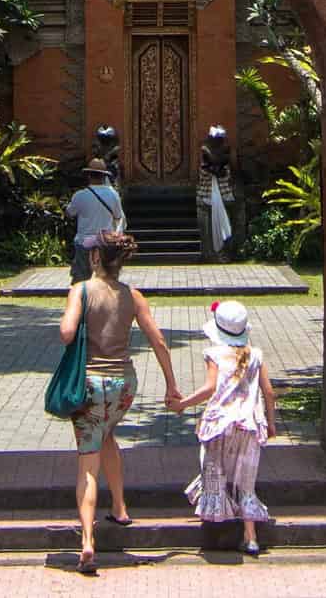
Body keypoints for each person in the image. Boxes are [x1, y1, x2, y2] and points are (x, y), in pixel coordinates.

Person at [58, 231, 179, 575]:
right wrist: (171, 385)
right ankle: (121, 507)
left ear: (95, 257)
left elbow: (67, 333)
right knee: (106, 433)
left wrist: (70, 321)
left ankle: (86, 542)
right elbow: (158, 341)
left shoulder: (80, 290)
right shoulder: (133, 296)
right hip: (123, 386)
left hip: (90, 385)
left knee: (87, 463)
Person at [169, 298, 275, 556]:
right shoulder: (256, 355)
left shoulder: (214, 354)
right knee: (245, 482)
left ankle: (214, 525)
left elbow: (210, 388)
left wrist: (183, 403)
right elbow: (268, 393)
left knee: (215, 471)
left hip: (219, 424)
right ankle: (250, 538)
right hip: (248, 424)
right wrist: (271, 422)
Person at [64, 158, 125, 284]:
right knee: (106, 279)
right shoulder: (113, 195)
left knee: (81, 279)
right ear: (104, 176)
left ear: (89, 176)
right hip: (104, 242)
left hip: (84, 242)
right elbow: (118, 216)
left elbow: (69, 213)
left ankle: (83, 301)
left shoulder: (80, 195)